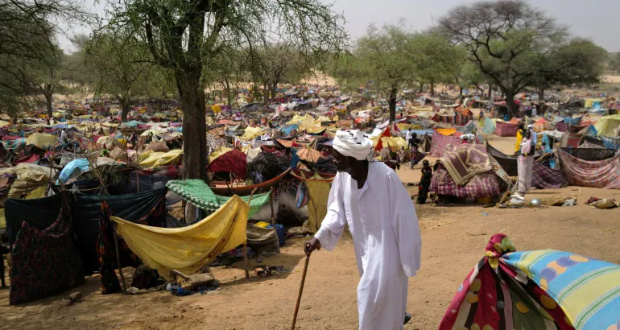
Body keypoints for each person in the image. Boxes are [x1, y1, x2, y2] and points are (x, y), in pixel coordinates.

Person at [305, 130, 422, 330]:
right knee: (383, 307)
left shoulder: (385, 176)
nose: (333, 160)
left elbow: (405, 217)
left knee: (369, 296)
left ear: (352, 158)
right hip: (364, 253)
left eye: (337, 156)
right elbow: (336, 209)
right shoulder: (343, 178)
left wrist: (407, 258)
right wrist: (319, 237)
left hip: (388, 251)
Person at [517, 128, 535, 195]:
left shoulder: (531, 142)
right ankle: (521, 189)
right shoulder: (523, 141)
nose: (527, 135)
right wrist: (518, 153)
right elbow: (520, 150)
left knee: (527, 173)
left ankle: (527, 188)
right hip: (521, 159)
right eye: (526, 133)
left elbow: (532, 152)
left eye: (528, 133)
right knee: (521, 173)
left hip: (528, 160)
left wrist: (526, 154)